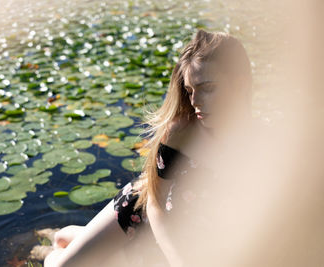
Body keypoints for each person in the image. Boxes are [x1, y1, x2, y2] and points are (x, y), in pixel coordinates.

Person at [31, 29, 253, 267]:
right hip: (140, 211)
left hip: (178, 227)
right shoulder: (183, 131)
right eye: (189, 91)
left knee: (90, 254)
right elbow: (155, 204)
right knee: (60, 264)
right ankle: (56, 244)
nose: (195, 101)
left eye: (207, 88)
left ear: (239, 83)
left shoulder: (261, 142)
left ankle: (68, 237)